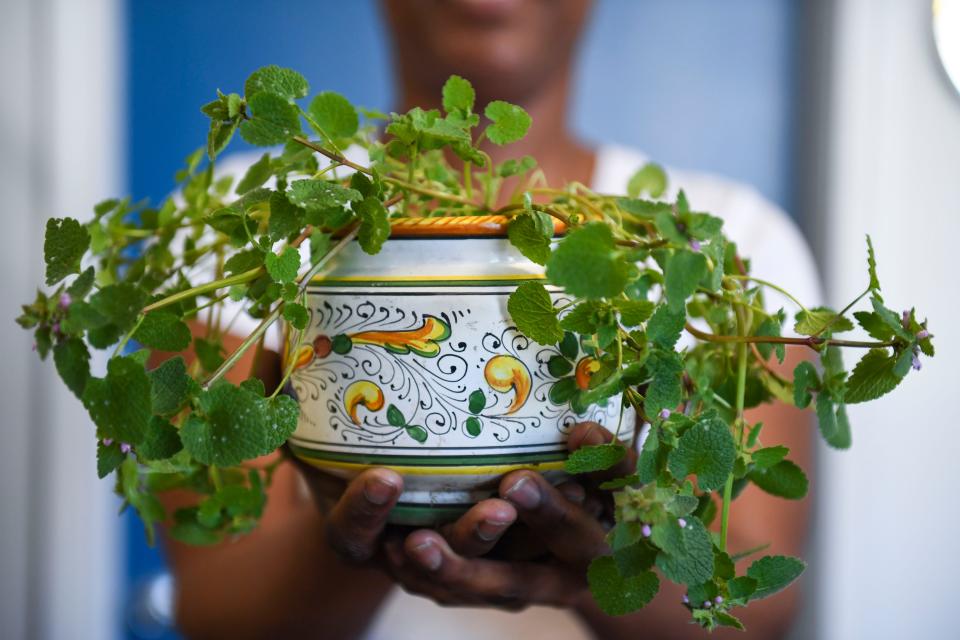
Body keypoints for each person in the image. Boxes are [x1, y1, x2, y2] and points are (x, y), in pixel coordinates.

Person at [163, 1, 821, 638]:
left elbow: (753, 607)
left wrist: (618, 555)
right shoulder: (251, 226)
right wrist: (369, 524)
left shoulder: (730, 244)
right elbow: (216, 608)